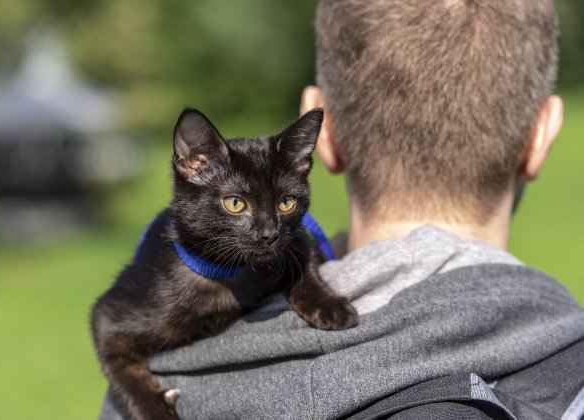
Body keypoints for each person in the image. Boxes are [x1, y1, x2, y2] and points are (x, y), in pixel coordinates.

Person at [99, 0, 584, 418]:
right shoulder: (569, 368)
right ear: (542, 135)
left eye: (284, 203)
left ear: (324, 140)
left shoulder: (157, 381)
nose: (267, 230)